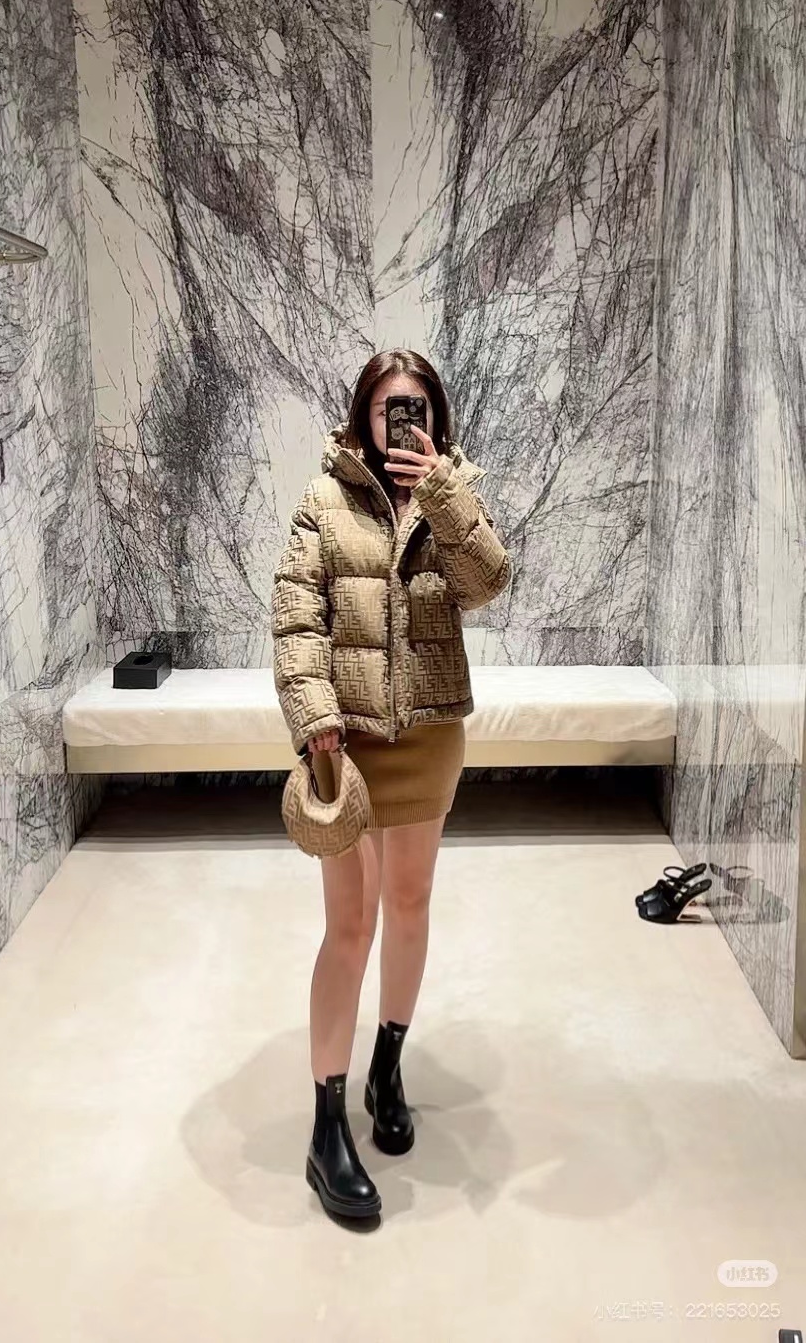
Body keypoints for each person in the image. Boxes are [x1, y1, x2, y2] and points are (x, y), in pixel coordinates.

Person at [271, 348, 511, 1220]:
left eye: (415, 407)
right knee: (349, 924)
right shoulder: (322, 499)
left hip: (431, 735)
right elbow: (296, 616)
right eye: (386, 408)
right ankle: (325, 1126)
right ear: (364, 417)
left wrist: (441, 490)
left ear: (434, 416)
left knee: (409, 904)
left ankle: (386, 1066)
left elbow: (486, 582)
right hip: (347, 742)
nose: (400, 422)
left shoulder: (455, 491)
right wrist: (313, 716)